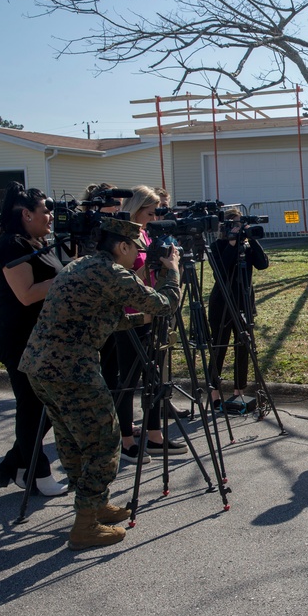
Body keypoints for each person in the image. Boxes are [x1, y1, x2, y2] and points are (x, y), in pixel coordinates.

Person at [19, 217, 182, 550]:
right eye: (137, 248)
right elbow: (165, 304)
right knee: (104, 444)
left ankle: (93, 505)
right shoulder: (111, 273)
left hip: (40, 366)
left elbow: (103, 316)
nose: (139, 254)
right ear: (121, 246)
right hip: (72, 370)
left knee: (71, 439)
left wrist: (140, 318)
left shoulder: (80, 266)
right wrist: (171, 270)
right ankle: (84, 526)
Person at [0, 183, 68, 497]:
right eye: (45, 210)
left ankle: (15, 462)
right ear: (26, 214)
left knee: (52, 403)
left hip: (44, 338)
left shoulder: (35, 241)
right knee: (32, 406)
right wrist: (66, 276)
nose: (50, 216)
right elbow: (26, 295)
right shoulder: (12, 245)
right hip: (20, 340)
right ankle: (37, 474)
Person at [113, 185, 187, 461]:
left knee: (154, 377)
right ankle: (126, 439)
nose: (156, 217)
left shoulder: (146, 234)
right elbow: (124, 279)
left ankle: (155, 436)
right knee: (129, 379)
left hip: (153, 310)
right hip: (130, 316)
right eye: (151, 212)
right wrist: (155, 265)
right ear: (137, 209)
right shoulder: (123, 237)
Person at [207, 207, 269, 411]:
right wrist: (232, 244)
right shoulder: (216, 246)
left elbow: (263, 265)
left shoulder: (247, 247)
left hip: (244, 302)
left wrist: (252, 239)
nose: (237, 228)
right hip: (222, 304)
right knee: (219, 347)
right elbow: (222, 272)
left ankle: (238, 391)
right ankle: (214, 392)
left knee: (244, 346)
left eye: (240, 223)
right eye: (233, 224)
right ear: (224, 228)